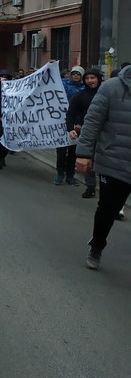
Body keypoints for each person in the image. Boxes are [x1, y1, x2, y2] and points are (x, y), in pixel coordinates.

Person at [75, 64, 131, 270]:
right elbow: (92, 122)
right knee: (108, 209)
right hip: (114, 161)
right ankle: (97, 245)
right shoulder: (111, 88)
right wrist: (83, 154)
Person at [67, 68, 103, 199]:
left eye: (93, 78)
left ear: (99, 79)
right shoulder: (80, 96)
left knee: (104, 162)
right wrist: (70, 128)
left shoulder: (107, 94)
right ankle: (90, 187)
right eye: (87, 78)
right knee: (87, 160)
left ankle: (107, 188)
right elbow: (70, 113)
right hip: (87, 133)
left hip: (105, 134)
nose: (90, 81)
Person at [56, 66, 87, 186]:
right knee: (61, 151)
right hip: (61, 122)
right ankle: (60, 174)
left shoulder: (84, 88)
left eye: (78, 74)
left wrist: (79, 123)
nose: (75, 76)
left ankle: (70, 175)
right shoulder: (62, 84)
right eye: (73, 73)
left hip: (78, 124)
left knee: (73, 152)